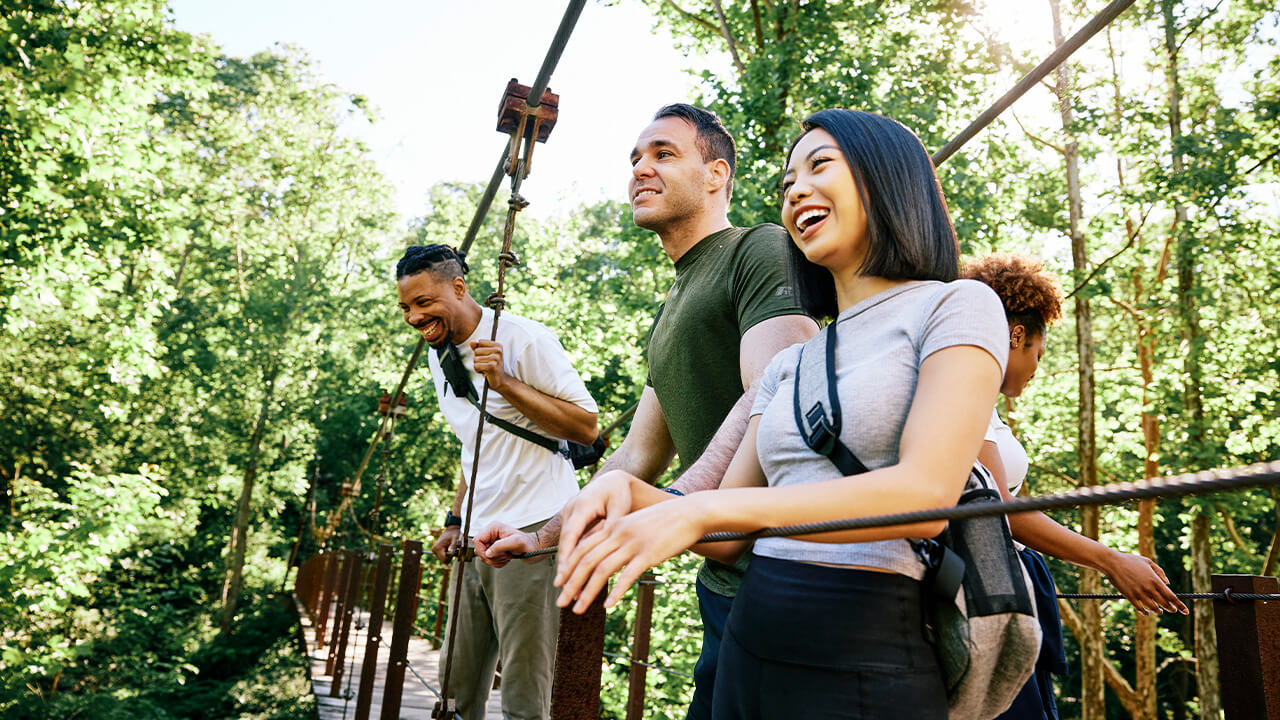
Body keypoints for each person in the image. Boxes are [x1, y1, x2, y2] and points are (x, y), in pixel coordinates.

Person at [550, 109, 1009, 717]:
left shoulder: (958, 307)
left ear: (889, 179)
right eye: (788, 179)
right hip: (752, 638)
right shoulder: (793, 364)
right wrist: (625, 497)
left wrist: (702, 508)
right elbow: (726, 538)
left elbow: (925, 496)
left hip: (866, 646)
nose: (796, 189)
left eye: (820, 166)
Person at [475, 103, 818, 719]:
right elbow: (636, 456)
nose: (641, 169)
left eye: (663, 153)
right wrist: (543, 536)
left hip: (785, 577)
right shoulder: (671, 309)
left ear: (717, 175)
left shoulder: (759, 248)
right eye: (635, 158)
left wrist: (680, 510)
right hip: (722, 587)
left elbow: (776, 386)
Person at [961, 252, 1189, 720]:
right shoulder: (967, 386)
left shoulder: (985, 401)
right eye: (1038, 356)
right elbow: (999, 509)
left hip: (1001, 580)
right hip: (982, 591)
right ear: (1016, 335)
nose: (1036, 369)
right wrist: (1110, 561)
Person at [395, 243, 599, 720]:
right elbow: (475, 443)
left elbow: (586, 425)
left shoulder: (524, 339)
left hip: (532, 530)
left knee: (525, 696)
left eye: (424, 303)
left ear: (459, 288)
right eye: (406, 306)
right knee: (454, 689)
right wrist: (451, 519)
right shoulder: (438, 355)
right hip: (472, 536)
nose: (413, 317)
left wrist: (506, 383)